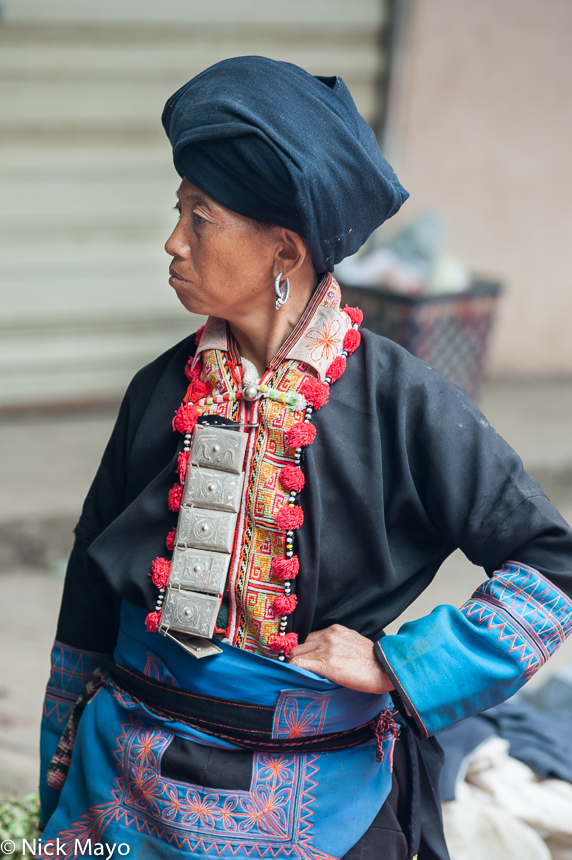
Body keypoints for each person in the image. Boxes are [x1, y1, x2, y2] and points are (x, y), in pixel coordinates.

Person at [39, 57, 572, 860]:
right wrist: (58, 761)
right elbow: (87, 588)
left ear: (283, 252)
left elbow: (551, 564)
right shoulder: (159, 392)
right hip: (125, 784)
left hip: (321, 796)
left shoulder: (404, 403)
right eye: (179, 210)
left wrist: (403, 664)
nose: (173, 240)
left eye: (201, 216)